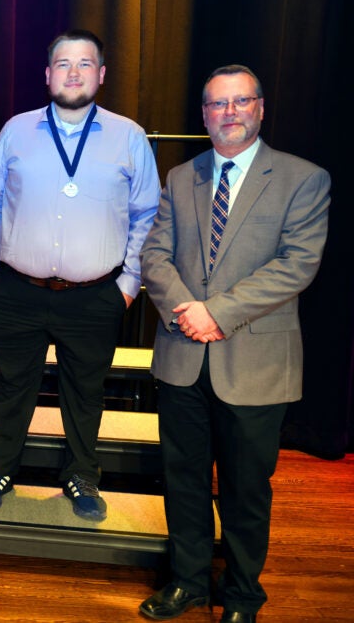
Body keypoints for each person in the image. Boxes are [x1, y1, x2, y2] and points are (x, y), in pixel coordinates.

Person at [139, 65, 330, 623]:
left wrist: (215, 314)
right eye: (217, 104)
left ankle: (243, 595)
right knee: (184, 480)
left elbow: (297, 265)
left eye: (240, 102)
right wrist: (188, 313)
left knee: (246, 490)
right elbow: (155, 255)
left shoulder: (303, 178)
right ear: (204, 114)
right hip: (182, 360)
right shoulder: (181, 177)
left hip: (255, 363)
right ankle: (189, 582)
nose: (229, 113)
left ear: (260, 108)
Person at [0, 29, 161, 519]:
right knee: (12, 385)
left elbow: (148, 215)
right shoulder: (17, 130)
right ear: (47, 73)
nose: (72, 73)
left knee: (85, 392)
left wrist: (127, 284)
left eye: (84, 64)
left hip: (95, 295)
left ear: (100, 74)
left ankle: (82, 476)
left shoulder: (130, 136)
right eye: (62, 63)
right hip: (17, 290)